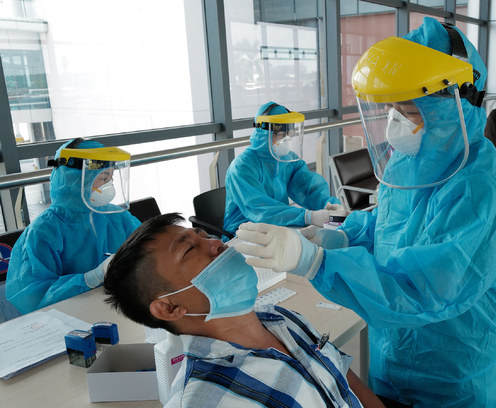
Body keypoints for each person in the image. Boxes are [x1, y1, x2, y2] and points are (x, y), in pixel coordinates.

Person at [234, 18, 496, 407]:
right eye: (393, 108)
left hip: (455, 373)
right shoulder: (411, 164)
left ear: (454, 106)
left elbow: (424, 290)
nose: (395, 121)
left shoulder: (482, 188)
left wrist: (316, 262)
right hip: (394, 356)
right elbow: (387, 223)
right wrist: (339, 236)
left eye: (408, 111)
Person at [102, 213, 383, 408]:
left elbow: (345, 382)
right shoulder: (205, 399)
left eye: (204, 236)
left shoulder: (283, 318)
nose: (216, 243)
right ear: (169, 307)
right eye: (189, 250)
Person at [6, 138, 141, 314]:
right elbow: (33, 298)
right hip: (71, 318)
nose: (109, 186)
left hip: (119, 307)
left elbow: (147, 250)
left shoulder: (118, 217)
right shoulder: (44, 231)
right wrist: (90, 278)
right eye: (103, 178)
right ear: (74, 179)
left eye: (111, 178)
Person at [222, 102, 344, 236]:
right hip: (244, 233)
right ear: (263, 133)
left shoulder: (288, 159)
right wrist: (308, 217)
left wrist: (333, 207)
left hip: (280, 226)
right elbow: (260, 210)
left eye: (289, 134)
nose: (286, 139)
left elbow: (310, 189)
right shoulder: (242, 167)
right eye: (280, 135)